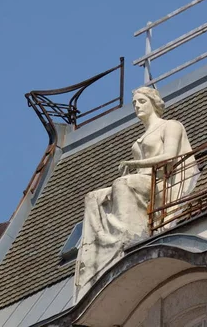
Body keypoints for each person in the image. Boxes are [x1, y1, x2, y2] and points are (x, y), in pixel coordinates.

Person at [75, 87, 198, 290]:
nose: (137, 106)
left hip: (160, 185)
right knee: (92, 197)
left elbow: (169, 158)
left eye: (141, 101)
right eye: (134, 103)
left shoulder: (171, 126)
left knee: (122, 184)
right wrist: (133, 169)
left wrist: (135, 165)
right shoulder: (137, 142)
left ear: (153, 103)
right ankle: (97, 254)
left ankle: (126, 237)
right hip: (141, 183)